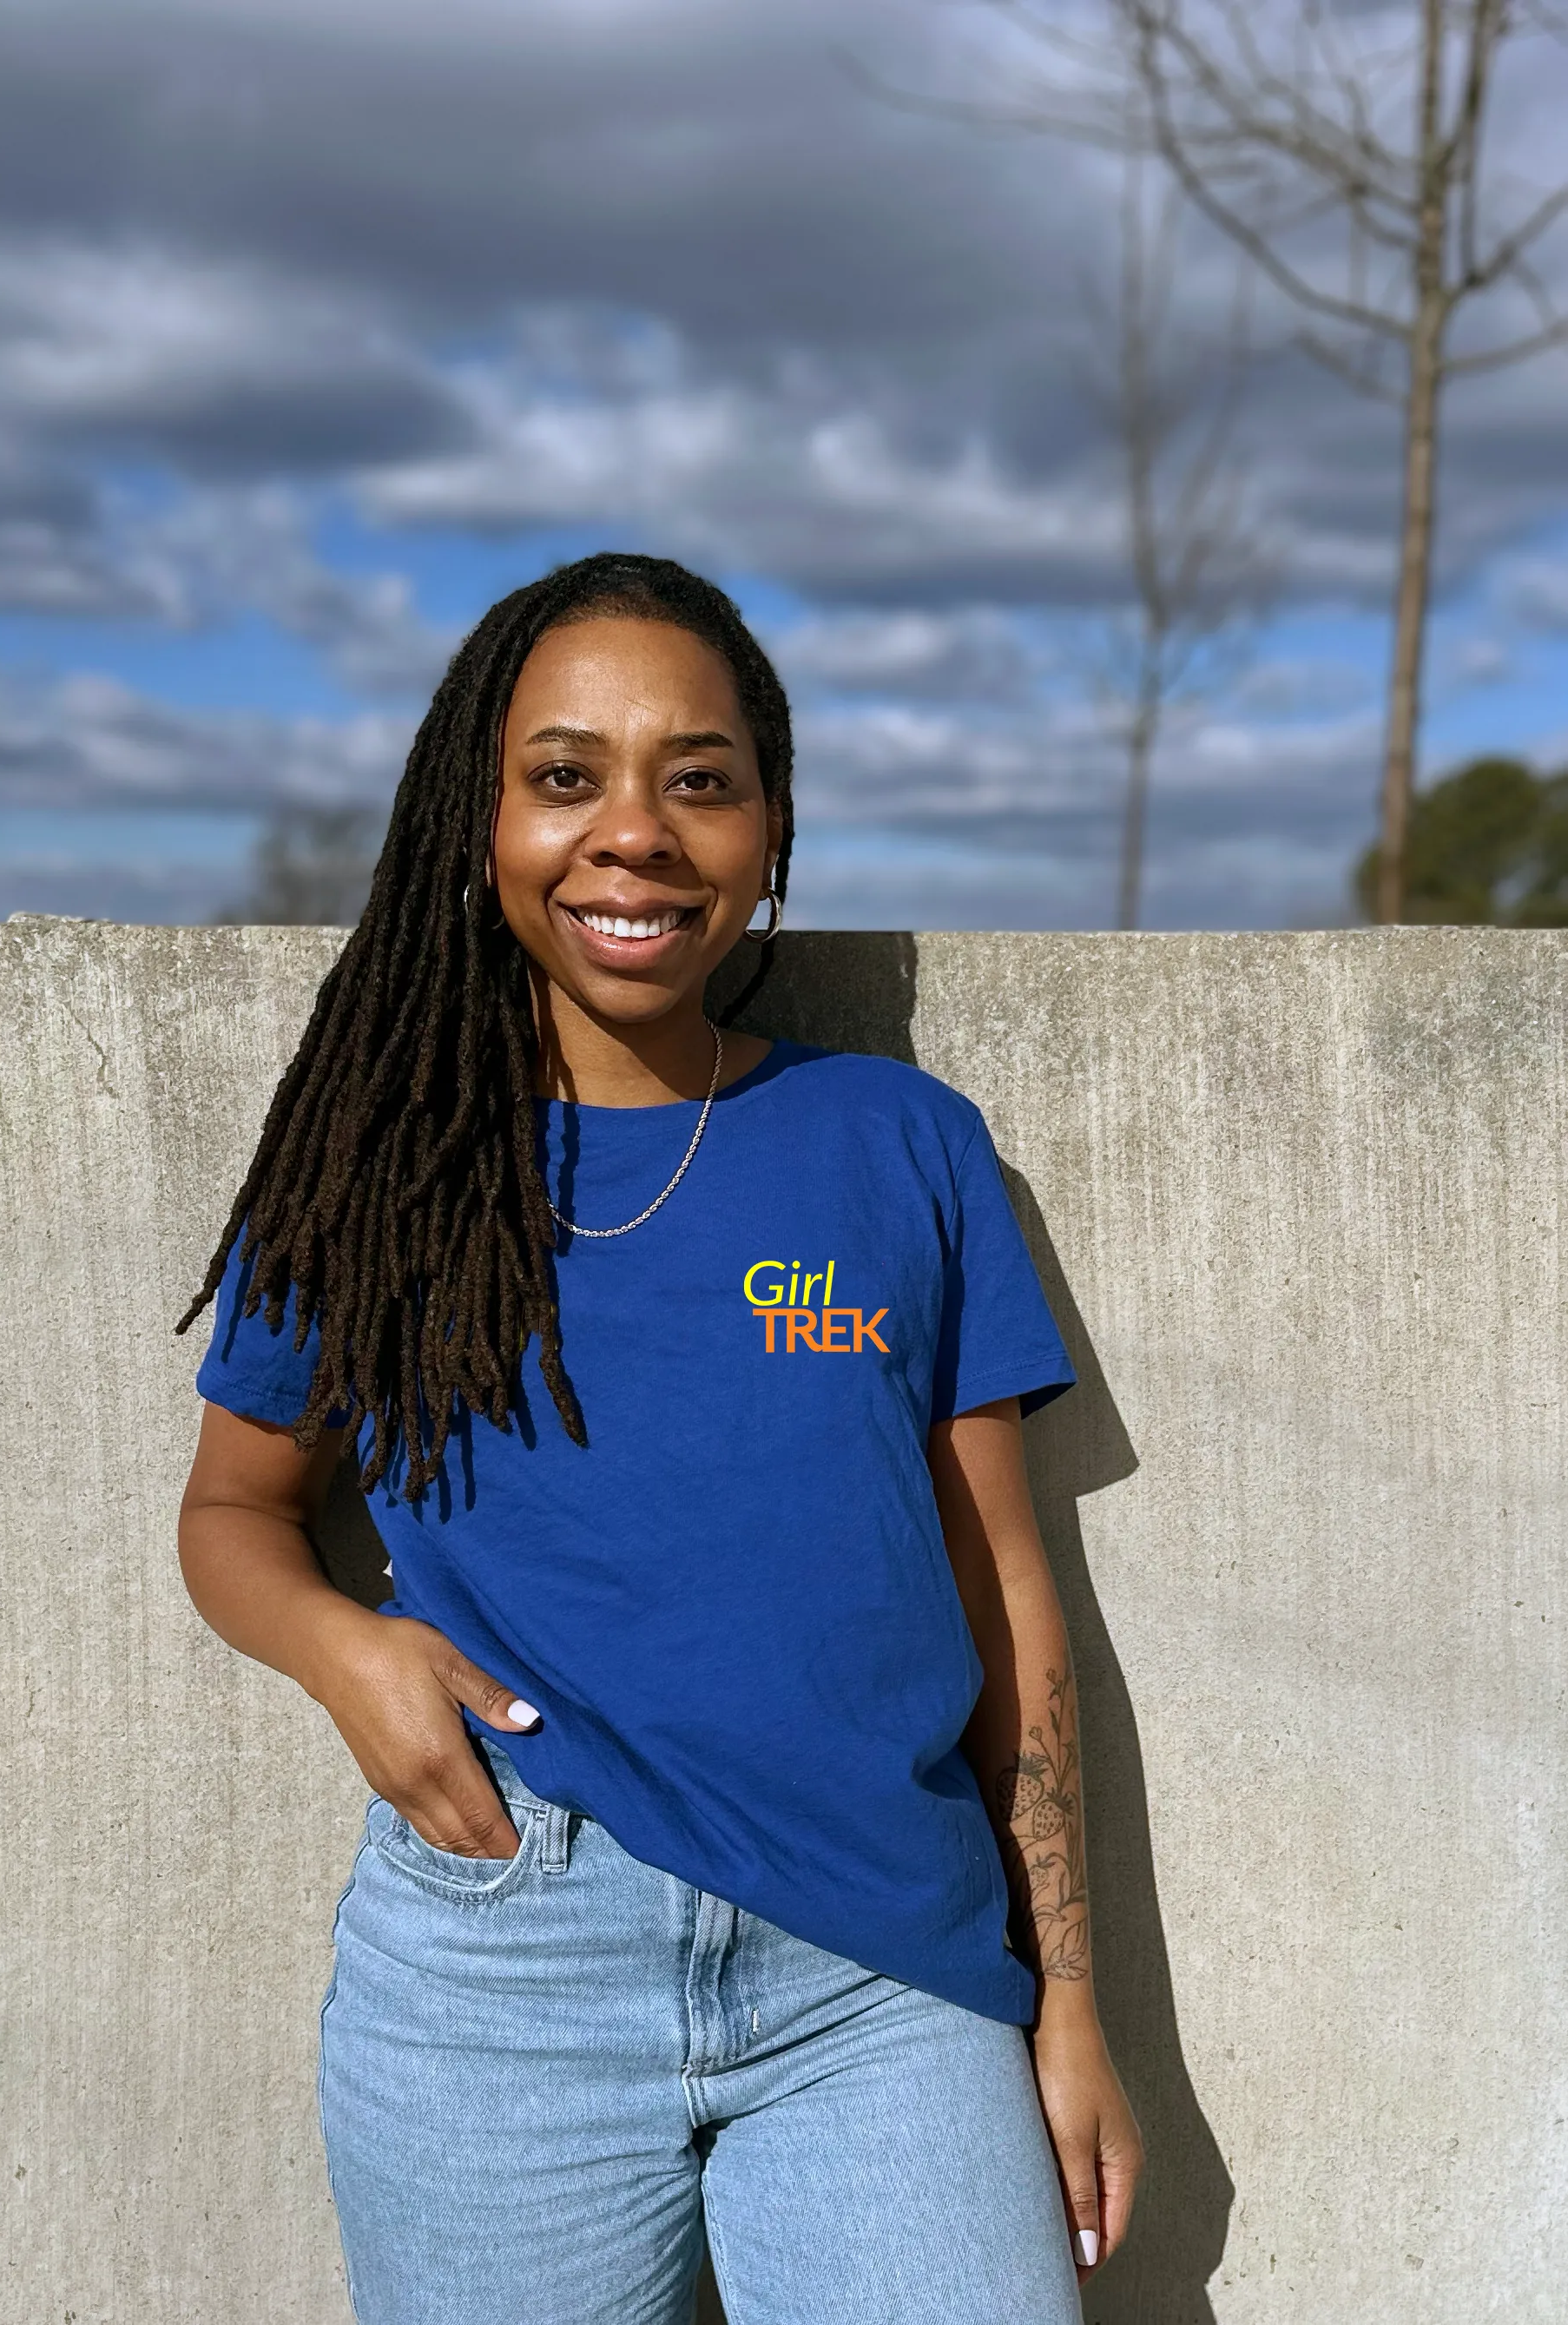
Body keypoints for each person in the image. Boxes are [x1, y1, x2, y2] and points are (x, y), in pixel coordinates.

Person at [176, 552, 1142, 2325]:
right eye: (564, 776)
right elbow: (236, 1507)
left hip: (881, 1974)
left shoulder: (898, 1143)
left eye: (699, 777)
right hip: (500, 1969)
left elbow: (1002, 1587)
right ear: (479, 825)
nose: (634, 830)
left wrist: (1063, 2002)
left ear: (769, 832)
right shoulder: (372, 1163)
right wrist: (349, 1653)